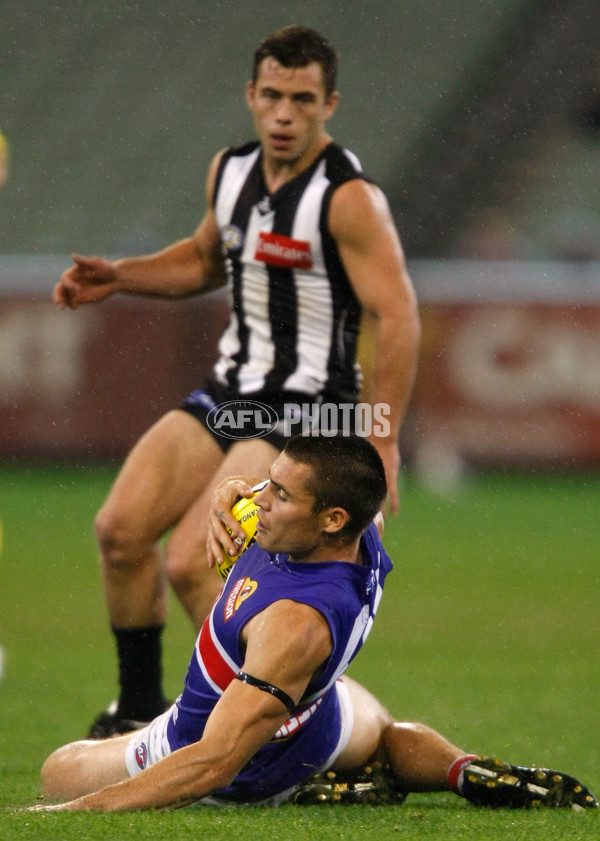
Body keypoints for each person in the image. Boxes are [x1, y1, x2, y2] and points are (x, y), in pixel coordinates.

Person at [53, 25, 421, 737]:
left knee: (196, 558)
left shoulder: (347, 198)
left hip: (308, 408)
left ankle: (288, 723)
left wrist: (384, 438)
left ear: (330, 104)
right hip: (230, 393)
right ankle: (137, 708)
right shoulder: (231, 172)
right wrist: (120, 275)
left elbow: (398, 312)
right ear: (251, 96)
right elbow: (202, 259)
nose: (286, 114)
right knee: (121, 531)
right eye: (274, 96)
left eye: (304, 100)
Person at [30, 435, 596, 812]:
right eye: (267, 484)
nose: (261, 499)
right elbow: (318, 486)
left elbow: (213, 762)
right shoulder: (361, 535)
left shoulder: (294, 624)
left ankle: (293, 788)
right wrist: (232, 489)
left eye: (278, 494)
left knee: (60, 770)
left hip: (234, 760)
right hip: (317, 719)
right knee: (384, 729)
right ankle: (459, 768)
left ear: (330, 518)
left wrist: (77, 811)